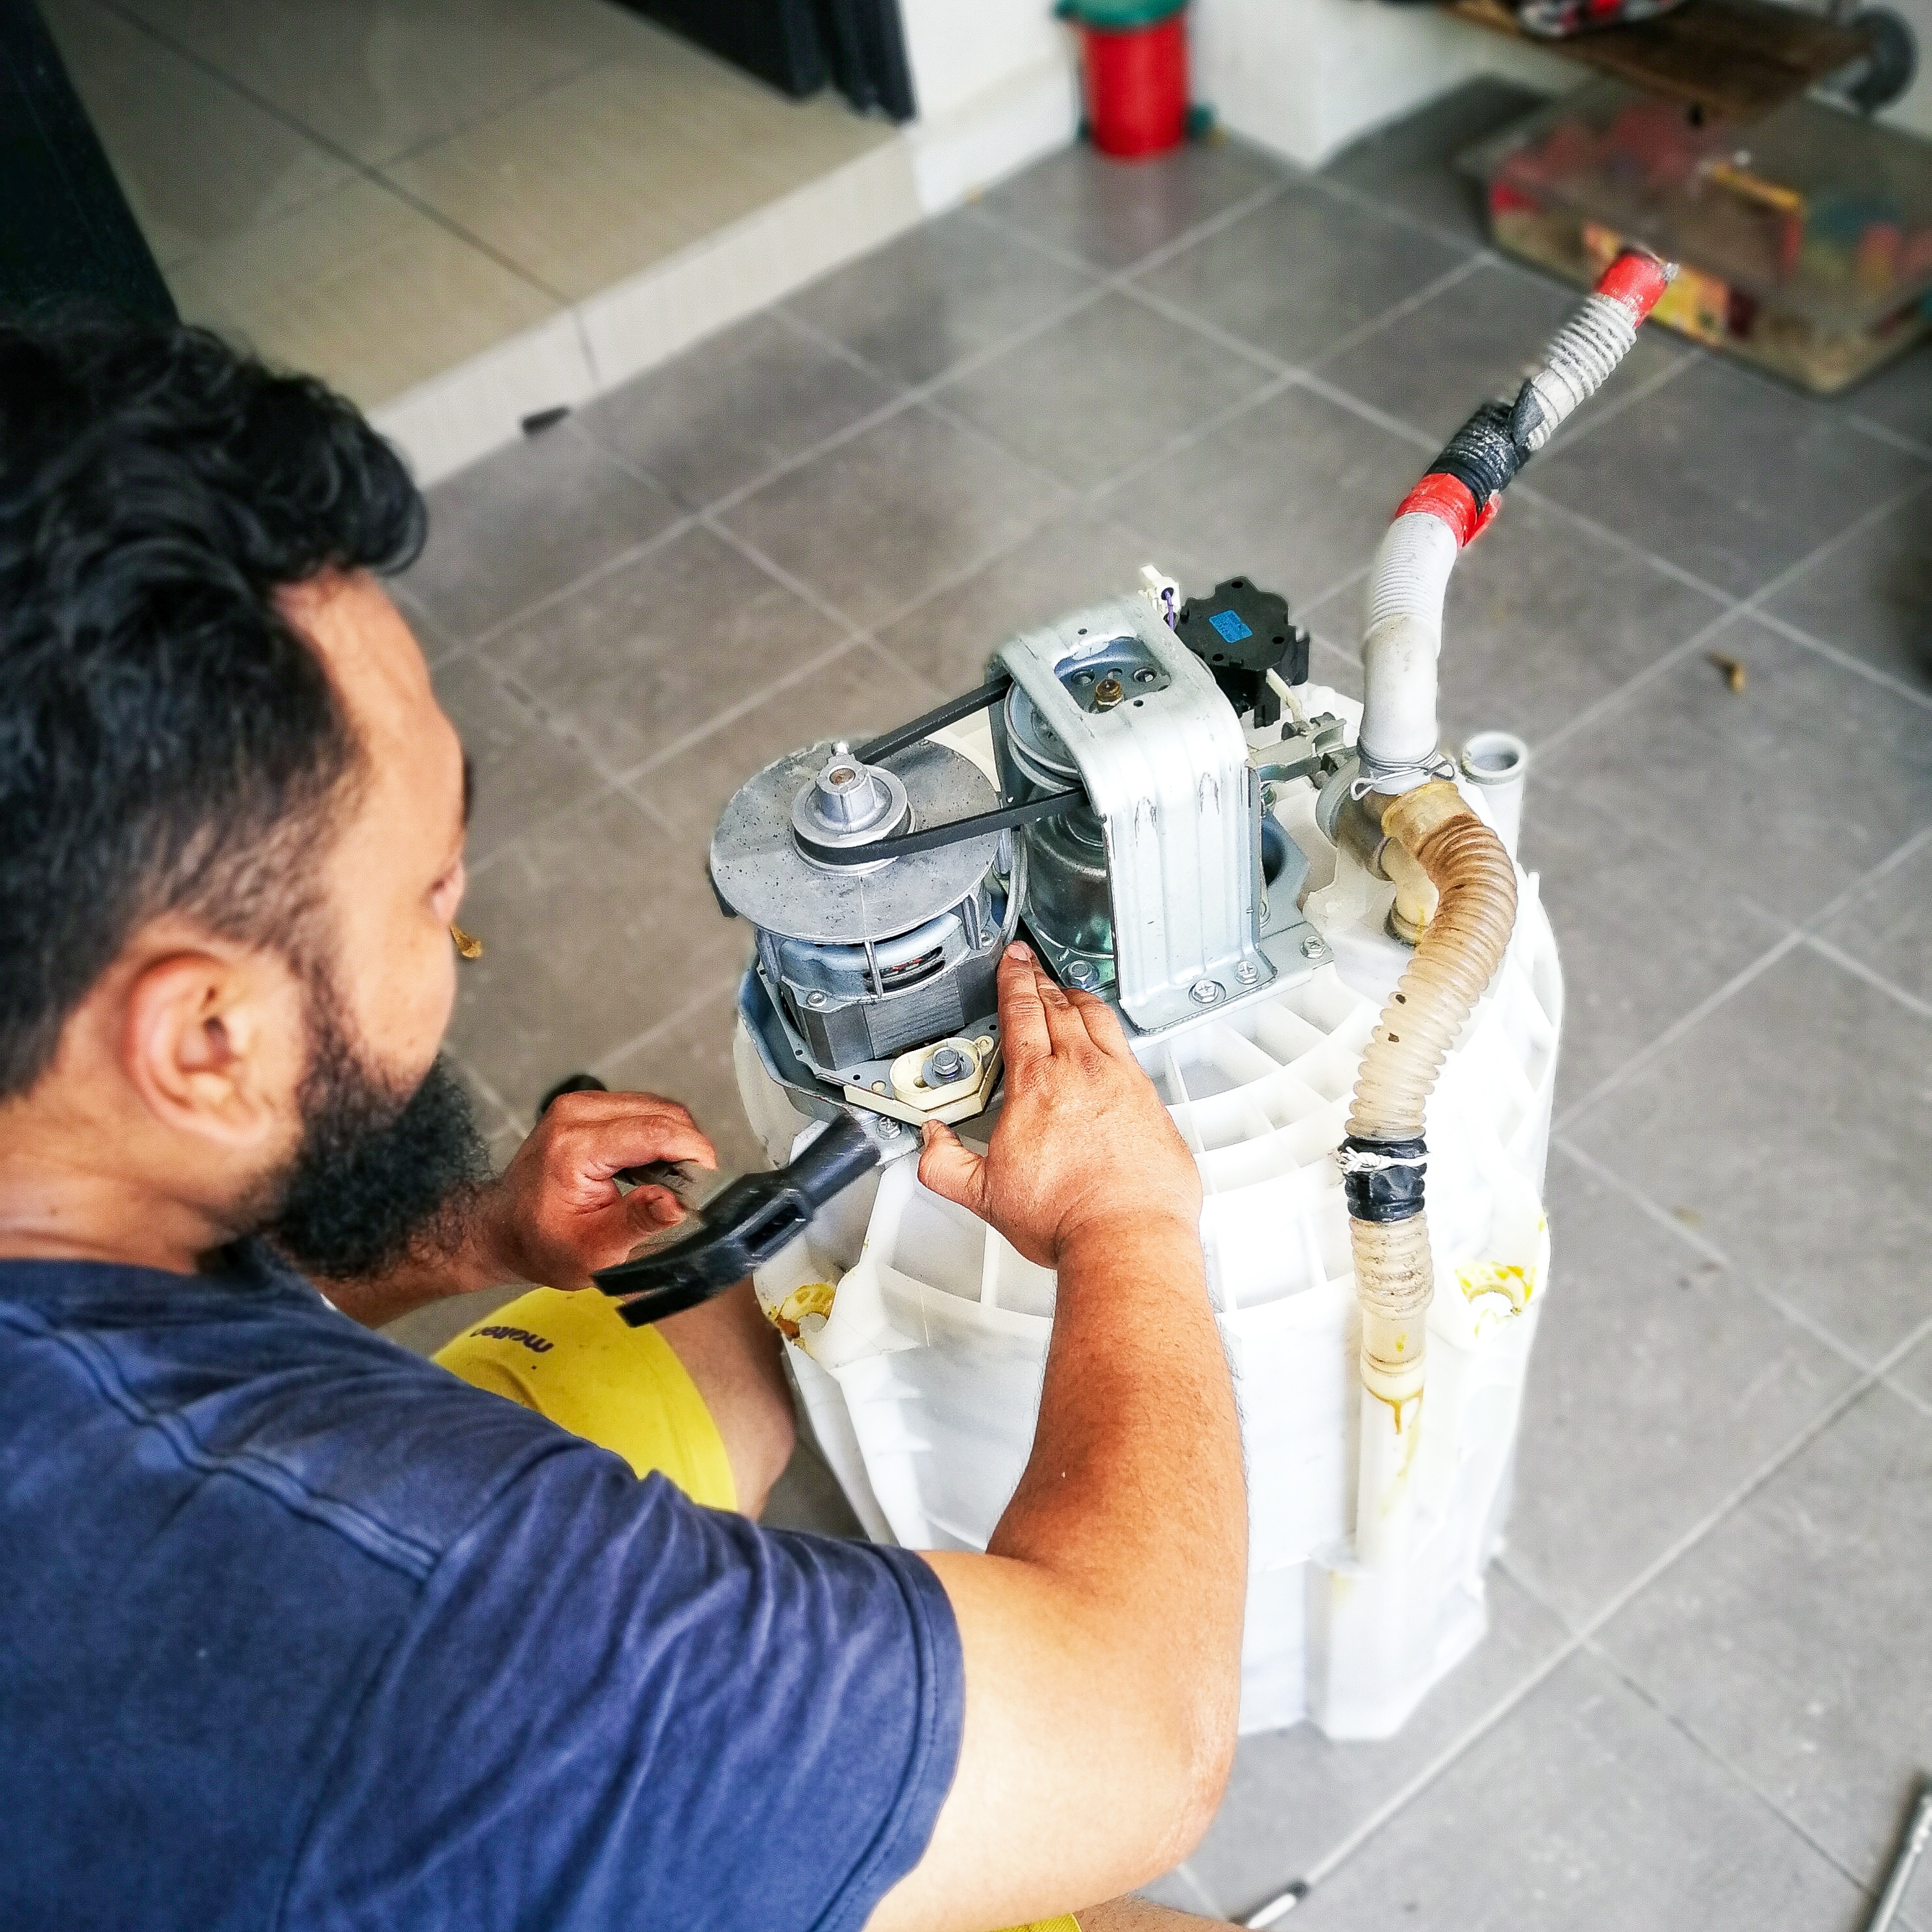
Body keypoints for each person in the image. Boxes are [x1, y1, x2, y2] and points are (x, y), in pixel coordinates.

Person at [0, 311, 1250, 1932]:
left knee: (694, 1303)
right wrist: (1131, 1225)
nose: (461, 930)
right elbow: (1142, 1744)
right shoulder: (442, 1618)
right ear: (203, 1037)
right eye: (432, 891)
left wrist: (460, 1242)